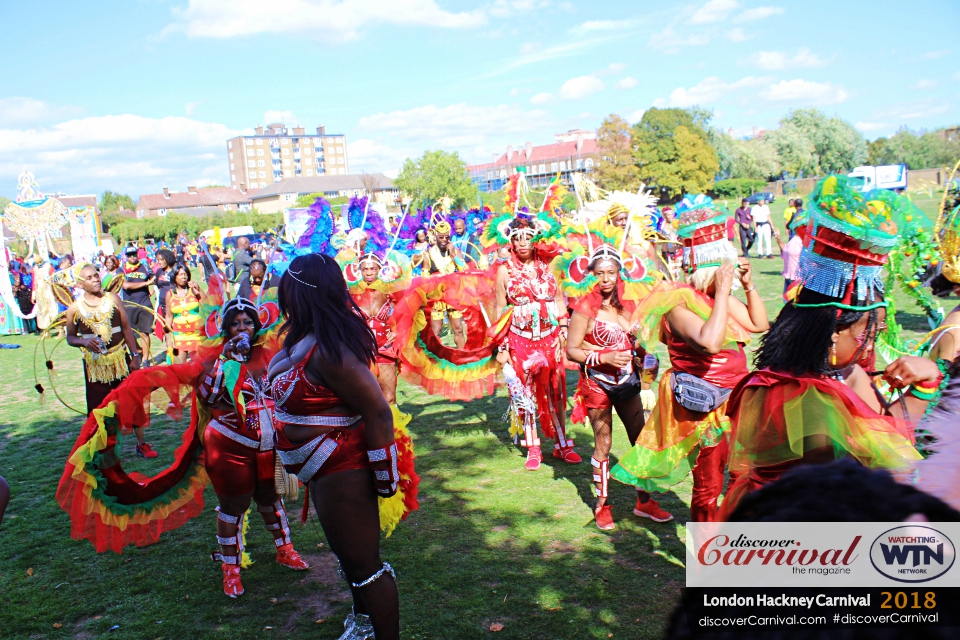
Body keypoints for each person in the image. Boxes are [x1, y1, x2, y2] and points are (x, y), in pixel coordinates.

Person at [721, 177, 932, 517]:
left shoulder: (840, 375)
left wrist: (924, 385)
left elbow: (888, 433)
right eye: (869, 334)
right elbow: (879, 466)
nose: (870, 347)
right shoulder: (803, 400)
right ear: (834, 332)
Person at [269, 254, 419, 640]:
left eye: (287, 290)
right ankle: (363, 624)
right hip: (321, 470)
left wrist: (385, 479)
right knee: (351, 561)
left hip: (343, 469)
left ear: (301, 295)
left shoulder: (329, 351)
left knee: (364, 567)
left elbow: (378, 412)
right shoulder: (305, 339)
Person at [611, 195, 769, 524]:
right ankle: (706, 561)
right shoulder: (678, 303)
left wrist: (749, 286)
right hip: (704, 408)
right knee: (709, 485)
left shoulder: (715, 300)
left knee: (741, 478)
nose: (729, 275)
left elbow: (759, 324)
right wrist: (724, 292)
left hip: (737, 401)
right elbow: (710, 343)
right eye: (723, 268)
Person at [197, 296, 309, 598]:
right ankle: (230, 571)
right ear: (226, 328)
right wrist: (227, 359)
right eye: (235, 324)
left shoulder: (270, 355)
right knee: (233, 507)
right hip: (230, 445)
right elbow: (208, 396)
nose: (242, 328)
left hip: (270, 444)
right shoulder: (214, 360)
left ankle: (285, 550)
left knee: (272, 498)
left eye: (248, 322)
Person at [564, 243, 658, 530]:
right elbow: (571, 350)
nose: (605, 279)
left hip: (628, 382)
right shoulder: (584, 308)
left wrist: (647, 357)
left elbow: (637, 344)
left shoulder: (630, 306)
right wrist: (603, 356)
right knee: (603, 443)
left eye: (611, 272)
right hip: (598, 384)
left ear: (620, 274)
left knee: (639, 439)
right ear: (591, 274)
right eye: (600, 273)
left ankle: (644, 501)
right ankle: (602, 505)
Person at [492, 217, 579, 470]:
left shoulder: (551, 265)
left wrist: (564, 332)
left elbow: (561, 302)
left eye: (527, 236)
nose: (522, 242)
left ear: (536, 238)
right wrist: (503, 346)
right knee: (527, 394)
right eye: (516, 237)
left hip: (550, 339)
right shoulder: (504, 270)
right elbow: (500, 308)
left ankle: (562, 445)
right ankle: (533, 447)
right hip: (520, 341)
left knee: (556, 391)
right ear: (509, 241)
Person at [64, 265, 157, 458]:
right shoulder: (74, 309)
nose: (96, 279)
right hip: (95, 366)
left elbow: (126, 329)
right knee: (98, 408)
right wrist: (84, 341)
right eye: (89, 277)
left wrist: (135, 356)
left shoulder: (113, 299)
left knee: (132, 401)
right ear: (81, 284)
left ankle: (141, 443)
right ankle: (102, 450)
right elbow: (70, 338)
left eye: (97, 275)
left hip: (120, 359)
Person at [422, 221, 468, 349]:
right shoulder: (427, 255)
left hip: (453, 295)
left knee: (458, 328)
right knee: (436, 331)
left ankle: (461, 357)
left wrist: (453, 255)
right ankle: (435, 361)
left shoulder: (455, 251)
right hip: (436, 297)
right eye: (441, 237)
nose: (444, 240)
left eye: (446, 237)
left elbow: (465, 270)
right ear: (435, 236)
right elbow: (424, 280)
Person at [164, 264, 203, 363]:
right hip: (180, 335)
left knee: (198, 365)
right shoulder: (170, 294)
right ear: (174, 276)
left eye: (185, 274)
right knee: (179, 365)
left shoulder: (193, 290)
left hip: (197, 334)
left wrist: (198, 290)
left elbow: (207, 305)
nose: (184, 277)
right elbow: (169, 317)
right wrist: (168, 339)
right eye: (180, 274)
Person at [771, 205, 809, 296]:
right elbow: (785, 250)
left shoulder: (807, 241)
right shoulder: (795, 238)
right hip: (789, 276)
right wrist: (778, 240)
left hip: (799, 279)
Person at [121, 246, 155, 336]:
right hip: (129, 305)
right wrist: (146, 283)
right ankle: (136, 350)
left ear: (138, 255)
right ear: (126, 257)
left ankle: (146, 351)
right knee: (131, 334)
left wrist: (152, 290)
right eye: (129, 255)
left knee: (145, 332)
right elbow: (126, 286)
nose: (132, 257)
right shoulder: (122, 269)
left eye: (134, 255)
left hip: (145, 303)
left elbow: (154, 279)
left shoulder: (145, 267)